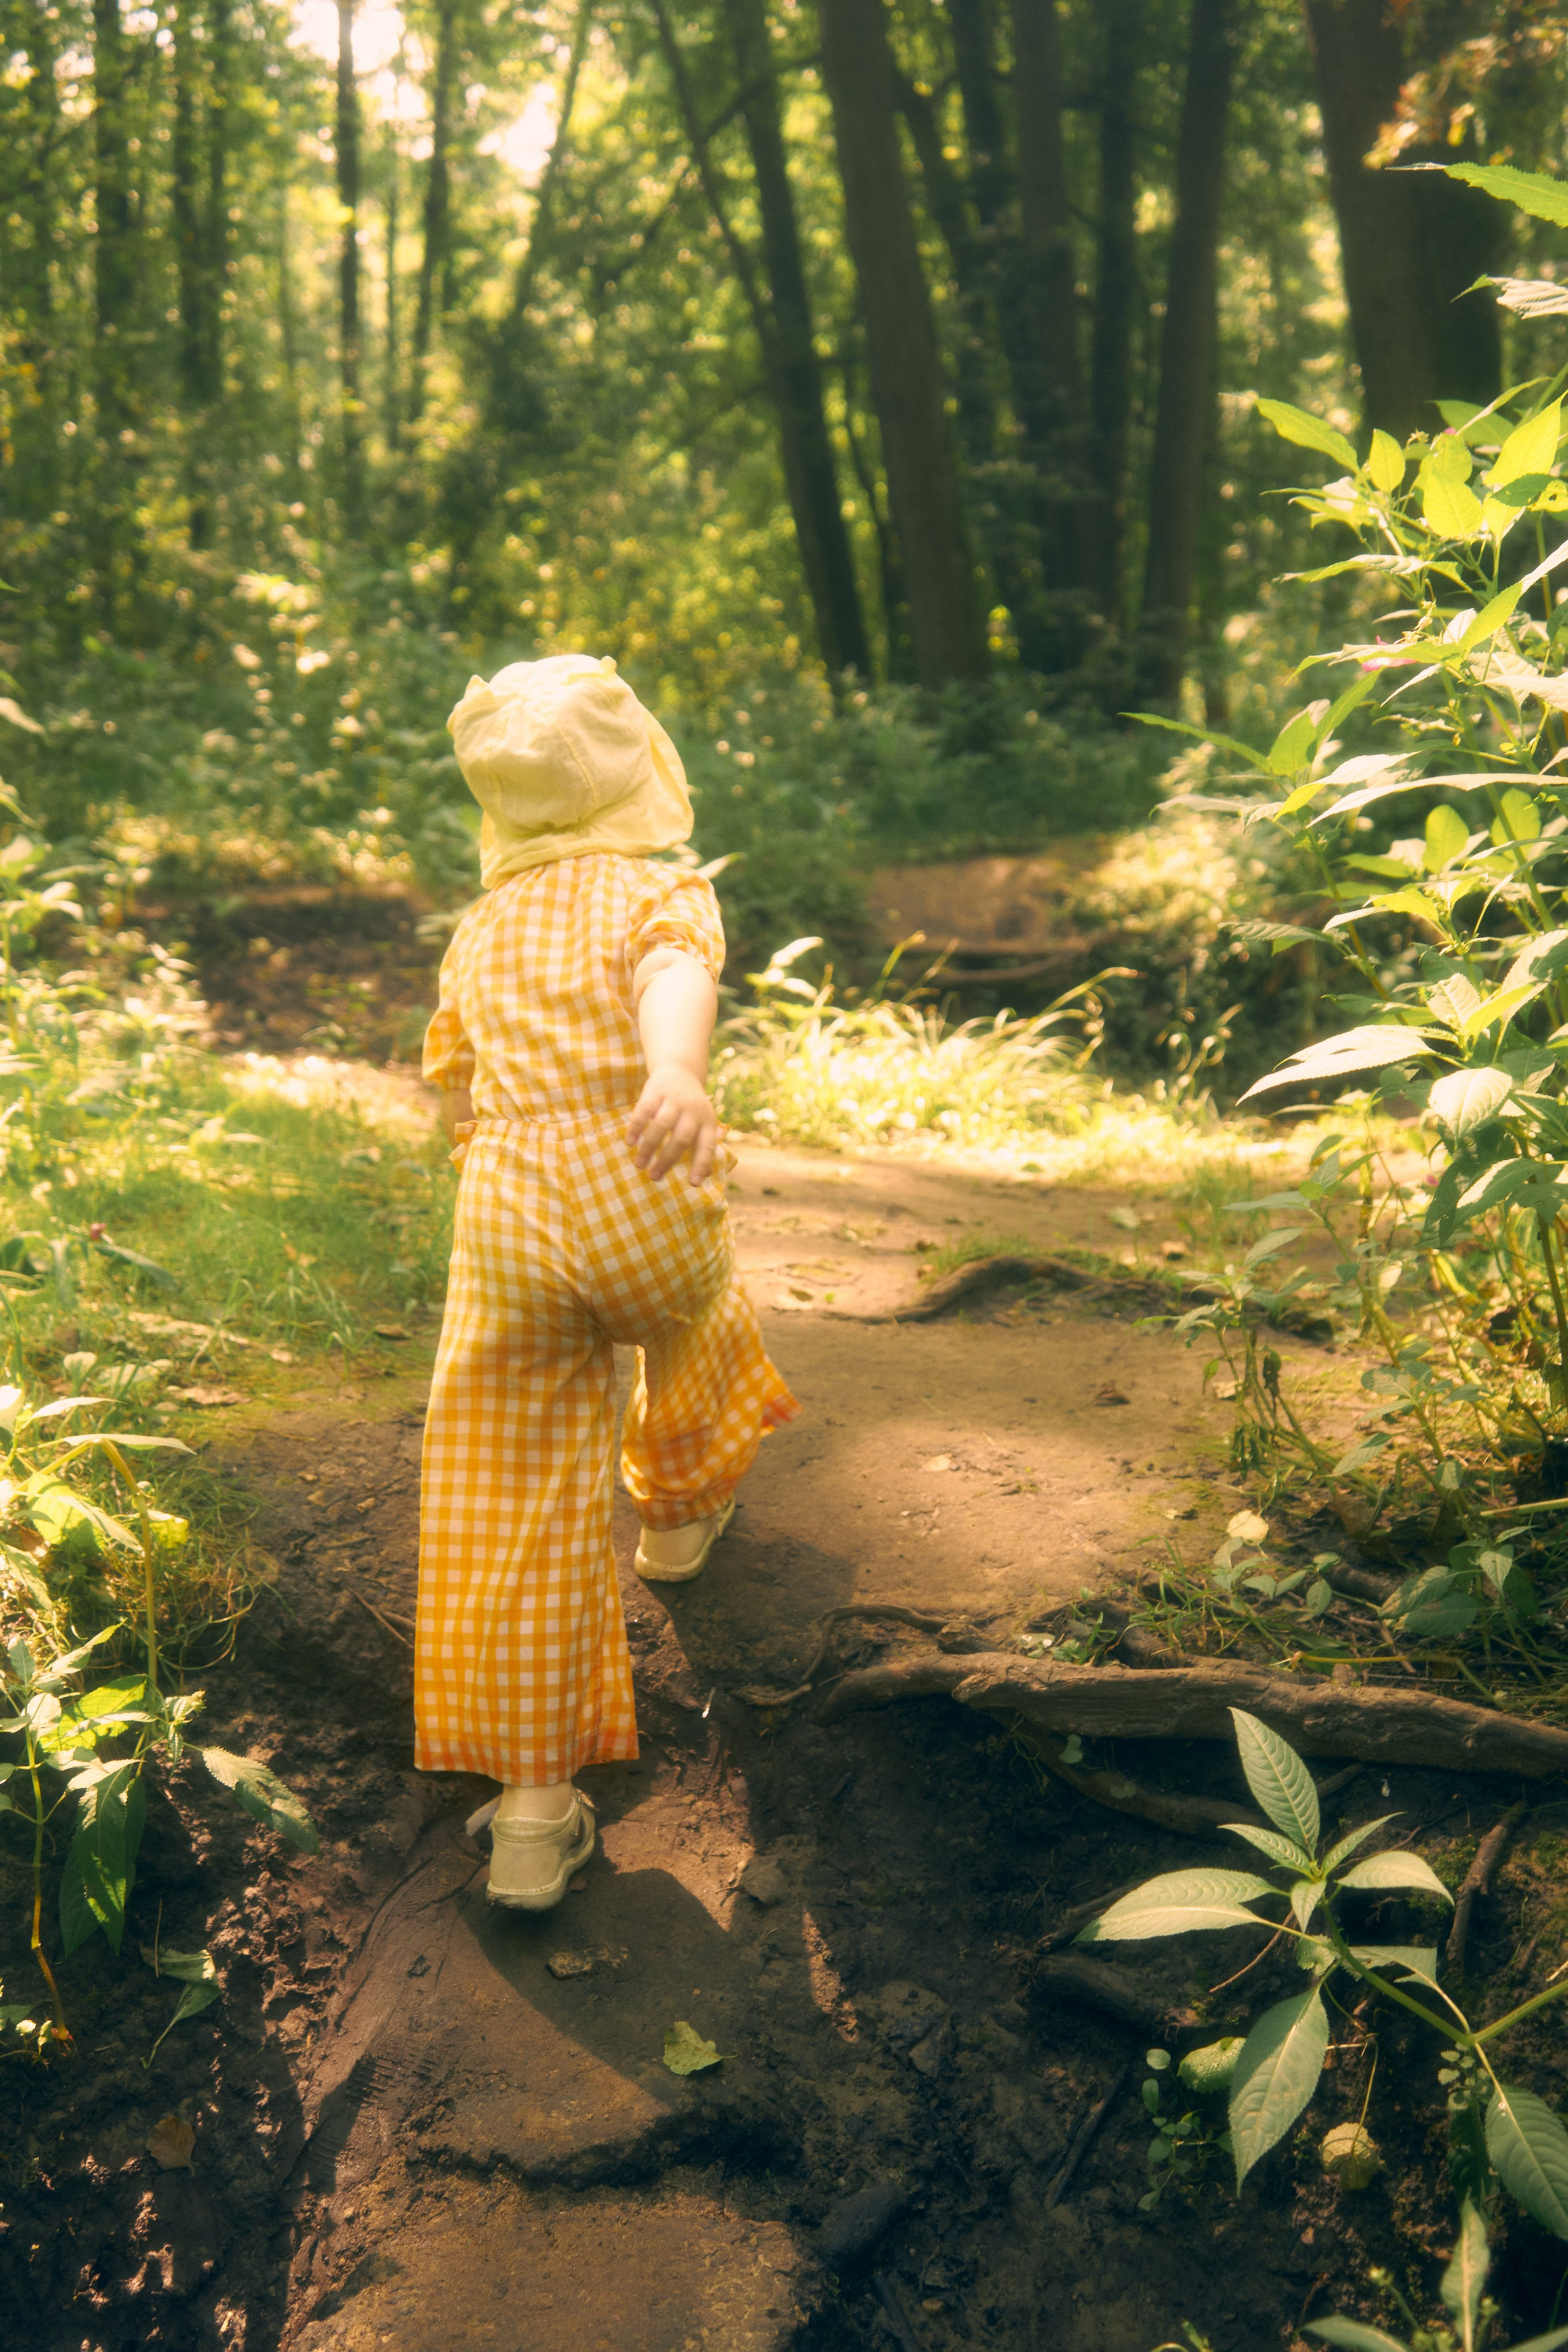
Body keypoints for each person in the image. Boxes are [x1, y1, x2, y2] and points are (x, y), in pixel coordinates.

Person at [417, 653, 798, 1912]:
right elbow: (669, 975)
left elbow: (460, 1088)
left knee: (509, 1489)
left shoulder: (478, 931)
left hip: (511, 1219)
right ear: (637, 770)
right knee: (697, 1323)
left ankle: (529, 1808)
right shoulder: (654, 891)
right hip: (642, 1187)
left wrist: (503, 1151)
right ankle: (680, 1518)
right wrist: (671, 1075)